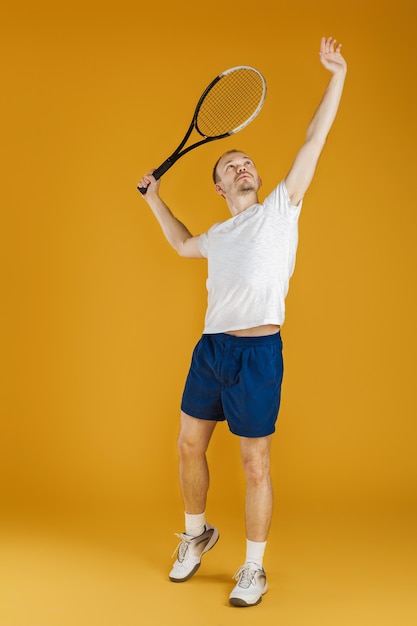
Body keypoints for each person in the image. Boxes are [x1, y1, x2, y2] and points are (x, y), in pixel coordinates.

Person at [138, 36, 347, 607]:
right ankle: (197, 533)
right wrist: (155, 200)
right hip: (211, 351)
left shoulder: (281, 208)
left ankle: (253, 570)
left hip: (258, 354)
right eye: (232, 164)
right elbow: (183, 245)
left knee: (255, 464)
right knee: (187, 444)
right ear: (220, 185)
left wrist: (338, 75)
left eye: (247, 161)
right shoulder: (220, 235)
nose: (244, 165)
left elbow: (314, 139)